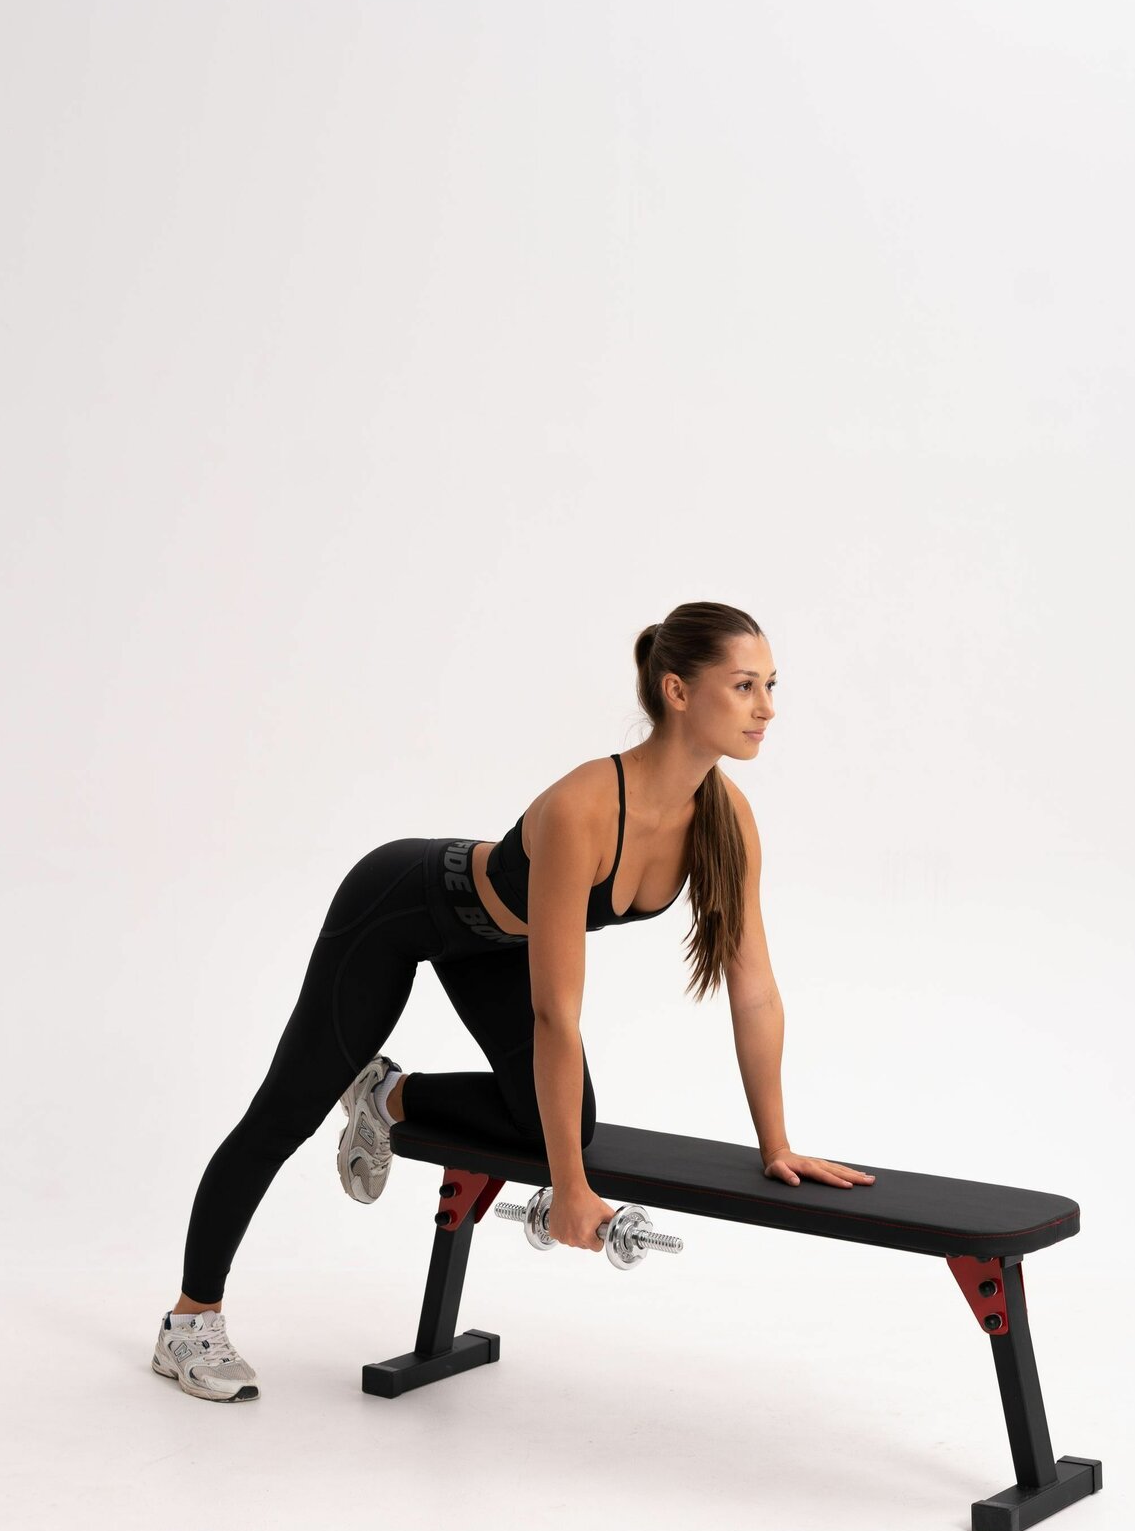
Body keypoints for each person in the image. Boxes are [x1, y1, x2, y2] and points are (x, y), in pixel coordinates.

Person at [151, 600, 875, 1401]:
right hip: (401, 906)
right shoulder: (585, 807)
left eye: (771, 685)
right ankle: (190, 1322)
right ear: (677, 691)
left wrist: (776, 1144)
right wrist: (569, 1189)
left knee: (564, 1123)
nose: (766, 707)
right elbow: (556, 1012)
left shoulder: (725, 818)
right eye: (744, 686)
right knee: (286, 1110)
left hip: (497, 944)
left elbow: (755, 990)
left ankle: (387, 1095)